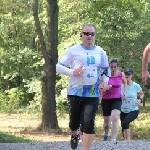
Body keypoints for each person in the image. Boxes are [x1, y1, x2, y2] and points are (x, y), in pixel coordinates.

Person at [56, 24, 110, 150]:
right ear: (81, 35)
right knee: (74, 123)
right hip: (75, 92)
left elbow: (106, 70)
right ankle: (74, 134)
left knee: (89, 122)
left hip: (93, 93)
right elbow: (58, 66)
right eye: (86, 33)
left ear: (95, 35)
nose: (89, 36)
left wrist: (105, 82)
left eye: (92, 34)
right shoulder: (73, 50)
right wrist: (72, 72)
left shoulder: (101, 52)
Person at [100, 58, 127, 142]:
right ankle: (106, 134)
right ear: (109, 67)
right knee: (107, 124)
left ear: (117, 67)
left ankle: (113, 139)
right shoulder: (104, 75)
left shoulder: (121, 74)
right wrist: (104, 88)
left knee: (115, 117)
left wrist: (125, 92)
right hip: (106, 99)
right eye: (111, 67)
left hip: (117, 99)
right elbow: (100, 86)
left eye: (115, 67)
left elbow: (125, 82)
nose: (113, 69)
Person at [120, 68, 144, 140]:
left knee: (125, 123)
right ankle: (125, 142)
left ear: (131, 75)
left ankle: (128, 141)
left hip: (133, 110)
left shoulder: (135, 85)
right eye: (126, 74)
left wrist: (140, 100)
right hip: (123, 110)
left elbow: (141, 93)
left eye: (128, 74)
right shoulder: (121, 86)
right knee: (123, 126)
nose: (127, 76)